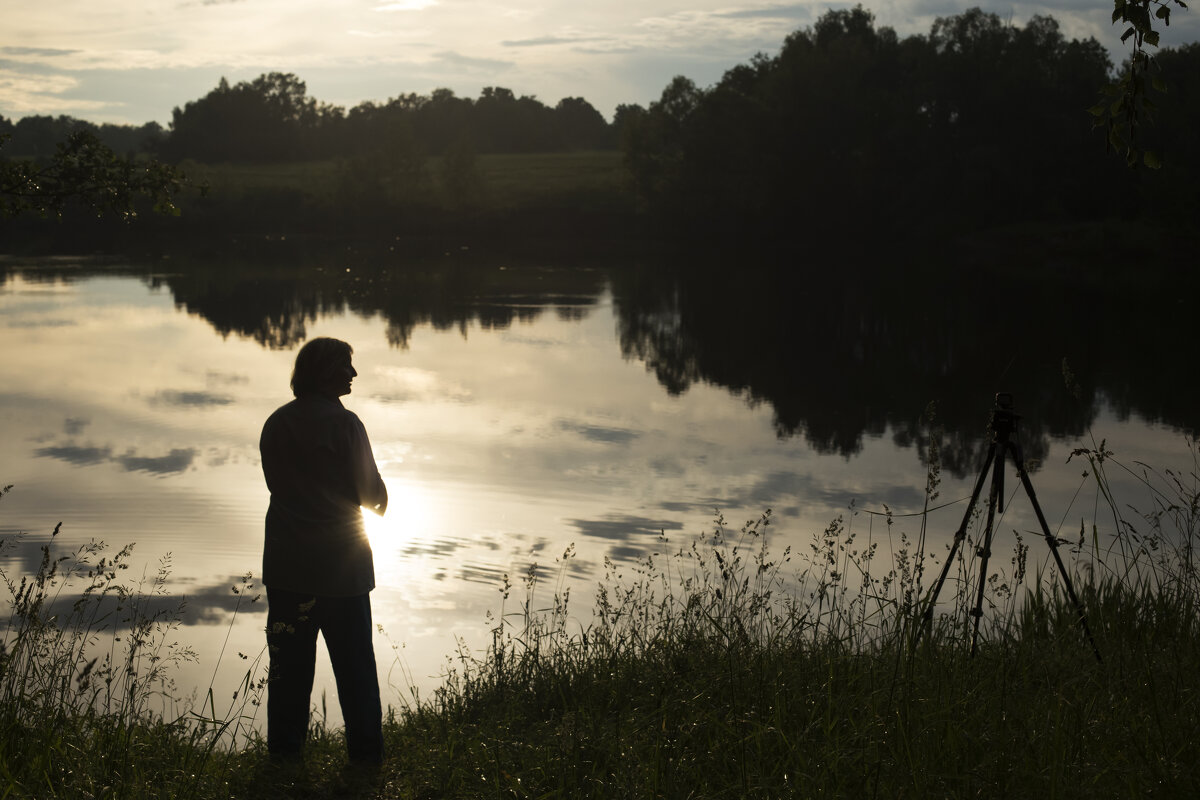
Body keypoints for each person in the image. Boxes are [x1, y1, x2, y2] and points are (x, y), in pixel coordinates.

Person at [259, 337, 388, 764]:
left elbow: (278, 486)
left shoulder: (276, 423)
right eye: (346, 366)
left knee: (287, 674)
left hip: (287, 569)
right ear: (325, 372)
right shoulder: (347, 425)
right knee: (356, 674)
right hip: (342, 572)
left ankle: (283, 759)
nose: (353, 374)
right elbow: (374, 498)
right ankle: (366, 761)